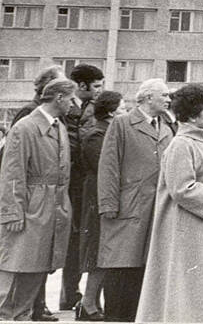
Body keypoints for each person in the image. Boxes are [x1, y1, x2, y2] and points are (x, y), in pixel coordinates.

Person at [135, 84, 203, 322]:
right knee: (186, 290)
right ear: (192, 116)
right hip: (186, 232)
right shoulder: (181, 144)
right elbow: (182, 188)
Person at [0, 78, 73, 321]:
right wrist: (13, 212)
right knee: (14, 266)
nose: (73, 105)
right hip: (30, 206)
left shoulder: (58, 127)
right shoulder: (25, 128)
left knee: (37, 267)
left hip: (50, 206)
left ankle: (21, 316)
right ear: (60, 98)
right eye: (71, 99)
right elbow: (13, 174)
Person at [97, 78, 172, 322]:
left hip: (156, 208)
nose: (169, 100)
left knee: (145, 269)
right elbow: (109, 165)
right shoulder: (122, 123)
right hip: (127, 208)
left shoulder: (167, 127)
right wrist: (108, 204)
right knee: (121, 266)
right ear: (148, 97)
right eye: (164, 95)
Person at [77, 90, 124, 320]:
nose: (126, 113)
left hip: (105, 196)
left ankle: (92, 301)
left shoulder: (107, 132)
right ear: (112, 111)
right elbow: (104, 167)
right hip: (98, 198)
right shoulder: (96, 135)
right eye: (123, 108)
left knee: (104, 252)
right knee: (98, 252)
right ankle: (88, 303)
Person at [61, 63, 104, 312]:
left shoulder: (89, 107)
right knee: (74, 238)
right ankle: (70, 292)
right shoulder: (69, 110)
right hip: (75, 183)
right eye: (96, 86)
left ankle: (72, 293)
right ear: (82, 86)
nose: (99, 91)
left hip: (84, 181)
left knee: (79, 239)